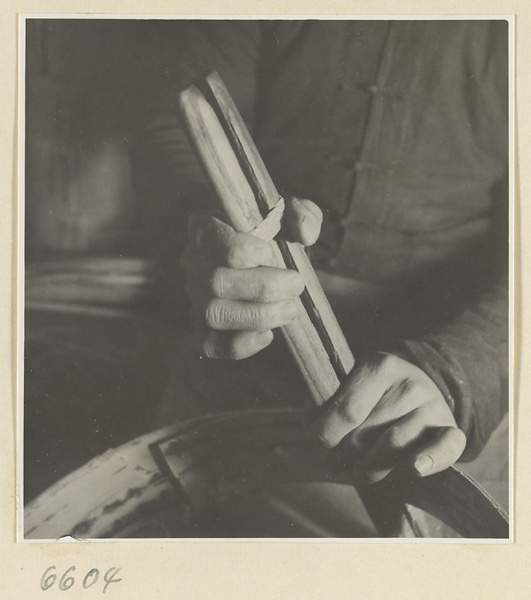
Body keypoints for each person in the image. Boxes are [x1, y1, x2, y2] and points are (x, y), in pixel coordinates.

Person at [133, 20, 508, 488]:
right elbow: (181, 119)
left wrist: (457, 379)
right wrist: (208, 233)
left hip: (457, 346)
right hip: (245, 331)